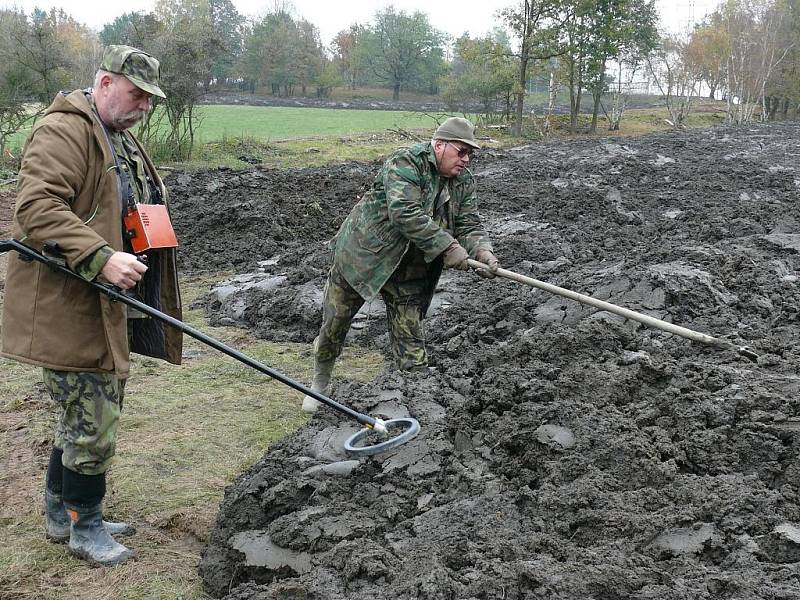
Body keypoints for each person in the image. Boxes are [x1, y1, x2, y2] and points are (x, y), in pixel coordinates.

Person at [0, 45, 182, 566]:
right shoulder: (65, 130)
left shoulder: (116, 136)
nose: (144, 106)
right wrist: (100, 256)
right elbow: (34, 208)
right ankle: (87, 527)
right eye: (136, 94)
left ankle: (63, 515)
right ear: (105, 84)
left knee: (81, 417)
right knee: (92, 421)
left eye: (150, 99)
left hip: (104, 303)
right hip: (69, 305)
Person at [302, 117, 498, 413]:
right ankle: (319, 384)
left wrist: (482, 250)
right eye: (461, 152)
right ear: (439, 145)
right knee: (335, 324)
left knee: (410, 337)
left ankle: (416, 402)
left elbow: (469, 223)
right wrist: (447, 245)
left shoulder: (463, 182)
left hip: (410, 268)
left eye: (470, 154)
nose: (466, 160)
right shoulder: (406, 162)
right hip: (364, 256)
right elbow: (404, 212)